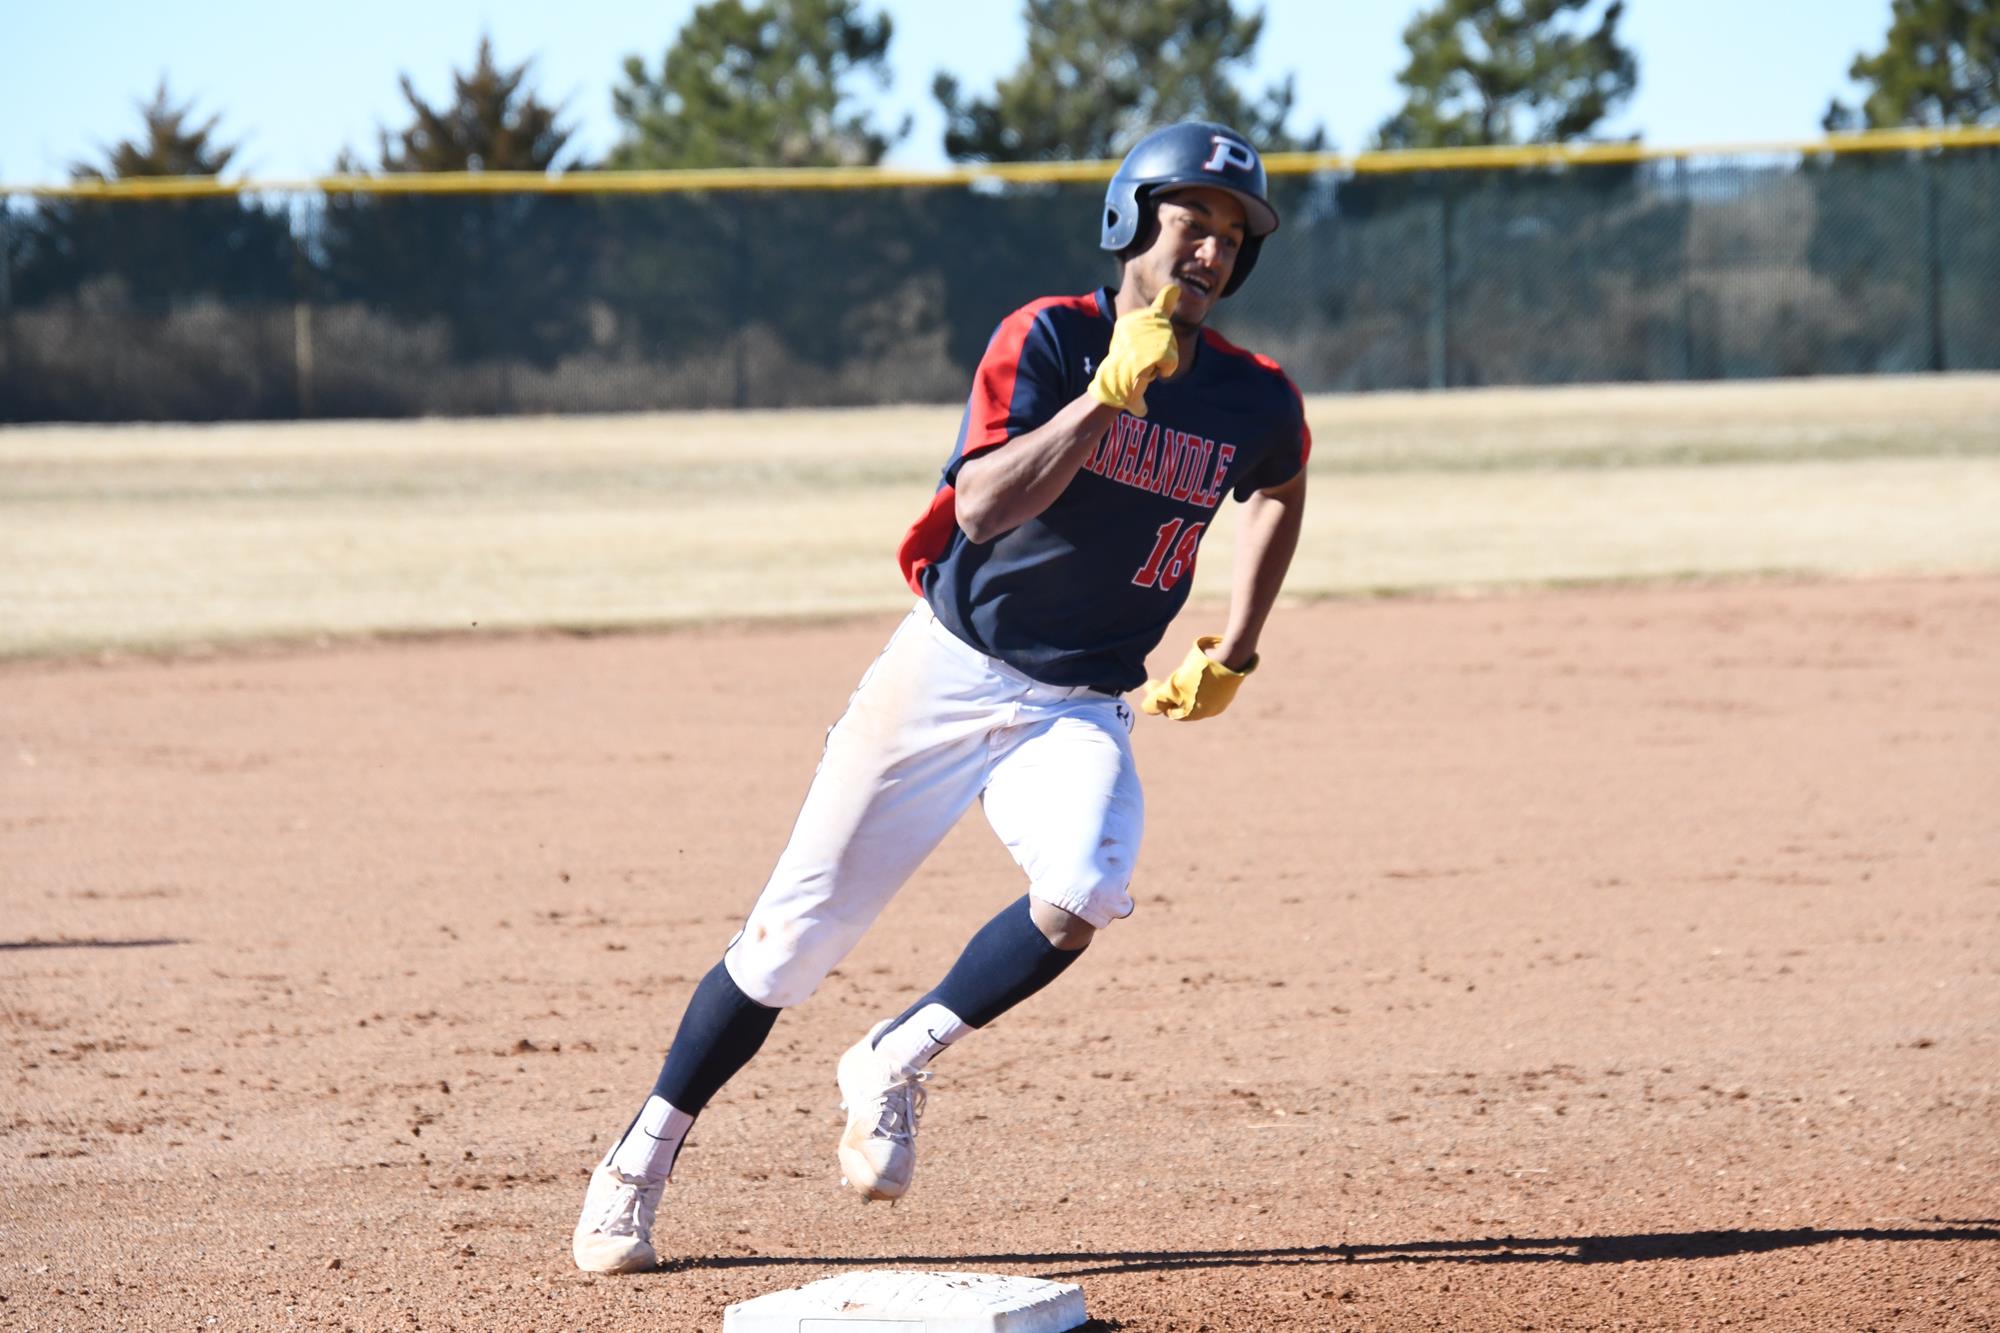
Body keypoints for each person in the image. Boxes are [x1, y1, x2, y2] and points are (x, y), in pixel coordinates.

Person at [571, 120, 1311, 1274]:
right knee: (786, 948)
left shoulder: (1248, 396)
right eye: (1190, 220)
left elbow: (1276, 484)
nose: (1209, 250)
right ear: (1130, 220)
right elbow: (980, 508)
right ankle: (640, 1159)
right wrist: (1105, 399)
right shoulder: (1053, 338)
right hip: (941, 676)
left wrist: (1239, 645)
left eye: (1231, 235)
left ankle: (890, 1058)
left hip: (1076, 704)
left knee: (1086, 886)